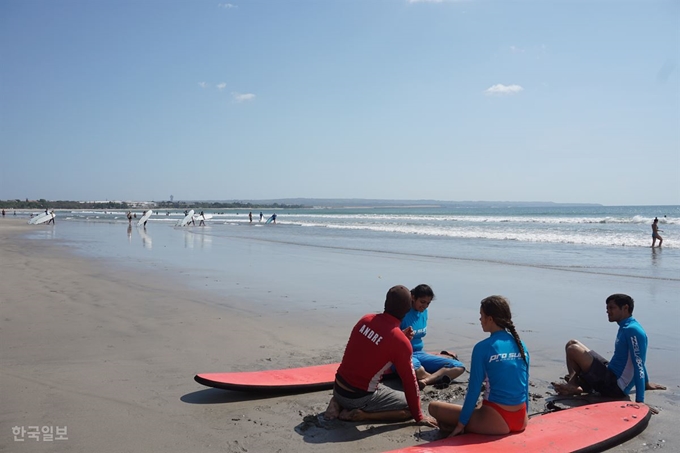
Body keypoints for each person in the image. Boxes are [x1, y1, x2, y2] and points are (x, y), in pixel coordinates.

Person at [324, 285, 437, 426]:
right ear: (408, 308)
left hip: (338, 387)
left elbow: (373, 346)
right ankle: (362, 415)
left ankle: (338, 403)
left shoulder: (366, 319)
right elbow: (410, 383)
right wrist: (419, 416)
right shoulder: (399, 342)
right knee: (409, 407)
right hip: (358, 397)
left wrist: (401, 338)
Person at [428, 295, 529, 436]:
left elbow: (474, 390)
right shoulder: (521, 345)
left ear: (490, 319)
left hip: (496, 421)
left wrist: (461, 424)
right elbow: (524, 387)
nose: (480, 319)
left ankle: (456, 427)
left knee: (434, 407)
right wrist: (525, 416)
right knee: (482, 403)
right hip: (521, 419)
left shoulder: (482, 348)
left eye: (481, 315)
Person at [552, 293, 665, 403]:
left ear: (625, 308)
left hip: (615, 387)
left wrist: (640, 401)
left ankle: (576, 385)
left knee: (573, 349)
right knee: (571, 343)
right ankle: (574, 384)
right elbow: (638, 357)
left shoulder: (632, 330)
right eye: (607, 308)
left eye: (612, 308)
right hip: (610, 372)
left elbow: (639, 363)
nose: (607, 311)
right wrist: (647, 383)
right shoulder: (625, 326)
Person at [400, 284, 465, 389]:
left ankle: (426, 380)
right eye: (422, 302)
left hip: (419, 353)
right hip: (404, 355)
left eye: (428, 303)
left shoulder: (424, 312)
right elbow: (391, 337)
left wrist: (435, 354)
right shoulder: (403, 313)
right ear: (413, 297)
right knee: (418, 369)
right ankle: (436, 379)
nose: (425, 306)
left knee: (459, 366)